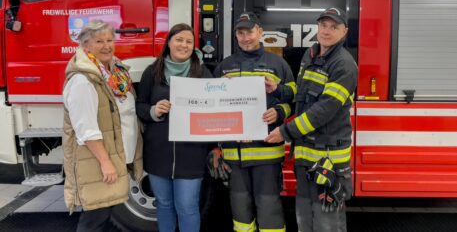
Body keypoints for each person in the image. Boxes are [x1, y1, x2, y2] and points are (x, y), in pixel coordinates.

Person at [265, 7, 358, 231]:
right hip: (306, 156)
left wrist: (285, 132)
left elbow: (324, 109)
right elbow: (303, 94)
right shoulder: (311, 54)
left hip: (329, 160)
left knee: (328, 223)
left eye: (333, 27)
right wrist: (279, 89)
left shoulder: (343, 64)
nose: (327, 31)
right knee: (304, 218)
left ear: (344, 31)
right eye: (323, 25)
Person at [212, 12, 296, 232]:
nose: (245, 37)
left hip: (266, 154)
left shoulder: (278, 64)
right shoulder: (223, 67)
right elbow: (213, 107)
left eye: (249, 31)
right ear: (236, 36)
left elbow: (293, 100)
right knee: (241, 213)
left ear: (260, 32)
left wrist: (278, 112)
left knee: (270, 211)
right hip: (234, 154)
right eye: (241, 33)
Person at [62, 19, 143, 232]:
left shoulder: (115, 73)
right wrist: (105, 162)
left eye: (110, 40)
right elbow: (86, 129)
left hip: (116, 155)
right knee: (95, 219)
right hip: (99, 160)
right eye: (99, 41)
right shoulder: (83, 81)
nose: (107, 46)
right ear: (85, 46)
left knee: (105, 216)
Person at [135, 23, 214, 232]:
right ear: (168, 42)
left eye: (189, 41)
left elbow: (215, 111)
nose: (184, 45)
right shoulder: (152, 72)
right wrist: (154, 110)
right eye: (179, 39)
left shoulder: (203, 73)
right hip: (158, 152)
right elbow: (140, 106)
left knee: (187, 206)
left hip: (191, 154)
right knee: (164, 204)